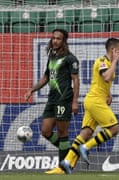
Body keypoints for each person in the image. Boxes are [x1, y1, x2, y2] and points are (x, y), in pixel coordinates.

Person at [60, 38, 119, 174]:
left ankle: (66, 161)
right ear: (113, 50)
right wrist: (115, 61)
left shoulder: (109, 63)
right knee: (114, 128)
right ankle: (86, 147)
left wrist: (108, 93)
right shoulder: (101, 61)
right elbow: (106, 77)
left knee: (86, 132)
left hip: (94, 100)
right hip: (95, 101)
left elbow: (103, 82)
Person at [24, 29, 80, 174]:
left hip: (64, 99)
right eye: (53, 38)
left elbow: (76, 80)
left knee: (62, 132)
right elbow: (46, 77)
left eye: (58, 39)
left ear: (64, 41)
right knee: (45, 131)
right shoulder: (52, 56)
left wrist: (75, 101)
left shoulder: (70, 59)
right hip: (52, 99)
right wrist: (32, 89)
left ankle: (62, 167)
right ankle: (71, 153)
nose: (55, 41)